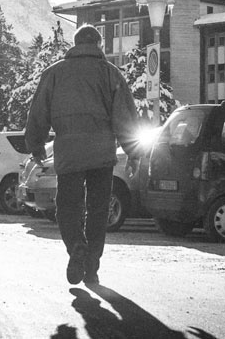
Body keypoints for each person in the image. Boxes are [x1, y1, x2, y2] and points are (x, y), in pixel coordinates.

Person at [25, 24, 140, 286]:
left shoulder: (54, 73)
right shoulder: (111, 74)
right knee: (98, 209)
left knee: (68, 206)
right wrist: (133, 152)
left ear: (75, 44)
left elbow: (38, 111)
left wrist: (36, 144)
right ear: (99, 45)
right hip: (101, 153)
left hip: (68, 152)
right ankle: (92, 267)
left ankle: (76, 245)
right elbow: (125, 115)